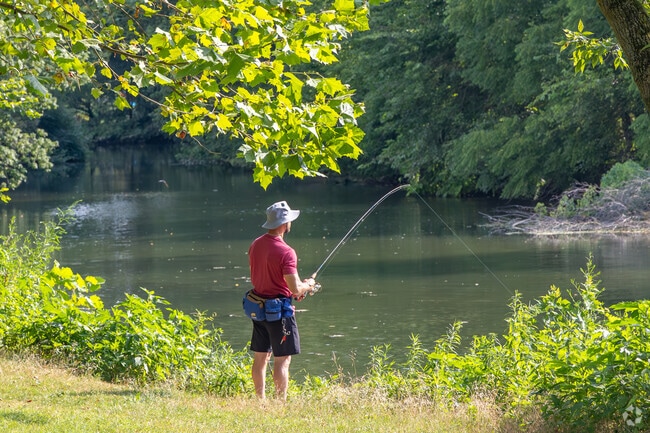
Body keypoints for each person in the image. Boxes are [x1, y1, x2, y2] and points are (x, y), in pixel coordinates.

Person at [247, 201, 315, 400]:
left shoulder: (255, 244)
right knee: (282, 360)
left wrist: (293, 290)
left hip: (258, 308)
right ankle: (280, 404)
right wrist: (308, 285)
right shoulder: (286, 252)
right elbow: (295, 289)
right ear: (285, 224)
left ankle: (260, 401)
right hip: (279, 314)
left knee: (260, 357)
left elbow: (266, 276)